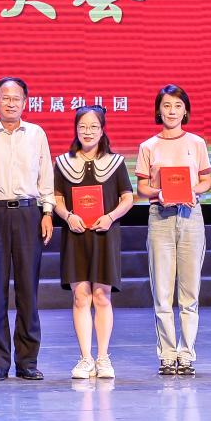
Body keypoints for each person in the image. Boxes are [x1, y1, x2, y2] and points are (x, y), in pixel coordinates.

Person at [0, 77, 55, 382]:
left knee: (28, 290)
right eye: (5, 98)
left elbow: (46, 179)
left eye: (16, 98)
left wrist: (47, 212)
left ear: (25, 102)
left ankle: (27, 361)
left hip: (29, 214)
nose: (11, 103)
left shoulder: (37, 134)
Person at [136, 85, 211, 376]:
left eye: (177, 106)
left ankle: (187, 353)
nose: (171, 111)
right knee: (163, 292)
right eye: (166, 105)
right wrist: (159, 193)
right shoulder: (148, 146)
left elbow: (206, 181)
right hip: (161, 218)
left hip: (190, 217)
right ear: (158, 110)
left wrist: (192, 191)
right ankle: (167, 354)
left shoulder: (197, 142)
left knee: (190, 291)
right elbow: (142, 187)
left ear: (185, 111)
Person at [53, 106, 133, 380]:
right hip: (75, 234)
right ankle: (85, 358)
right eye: (82, 127)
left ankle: (103, 358)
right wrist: (68, 216)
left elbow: (127, 198)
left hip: (104, 233)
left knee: (101, 295)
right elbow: (57, 198)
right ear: (76, 129)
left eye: (93, 127)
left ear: (102, 130)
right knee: (80, 296)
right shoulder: (63, 163)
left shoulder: (115, 162)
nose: (87, 132)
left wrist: (110, 217)